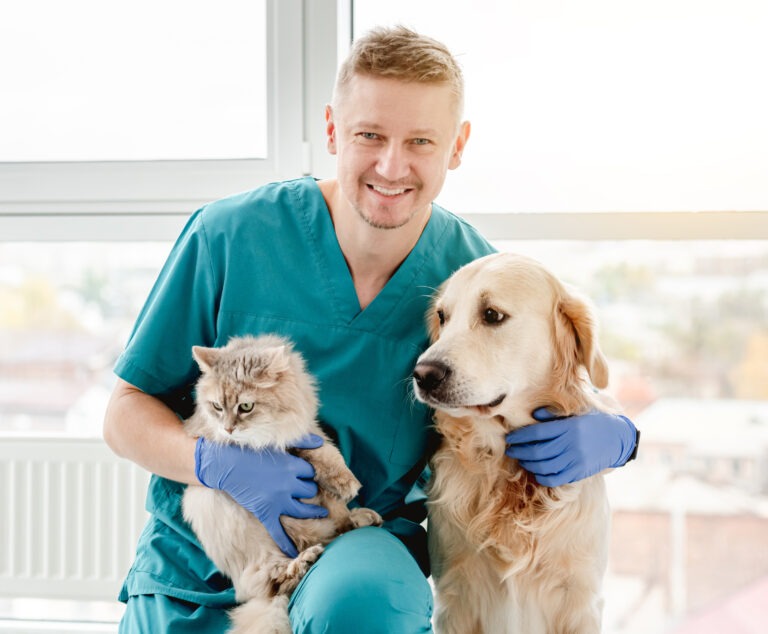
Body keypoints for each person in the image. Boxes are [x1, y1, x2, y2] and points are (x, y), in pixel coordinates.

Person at [103, 25, 639, 633]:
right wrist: (215, 464)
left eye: (420, 140)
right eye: (370, 135)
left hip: (354, 550)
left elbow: (546, 377)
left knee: (364, 604)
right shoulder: (229, 237)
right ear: (333, 130)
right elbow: (124, 412)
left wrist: (620, 437)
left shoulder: (470, 275)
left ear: (457, 145)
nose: (392, 165)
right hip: (199, 563)